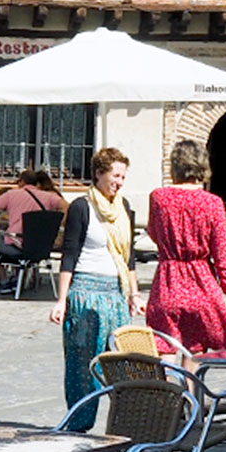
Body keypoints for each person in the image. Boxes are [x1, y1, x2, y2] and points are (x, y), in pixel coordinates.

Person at [50, 147, 138, 431]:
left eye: (123, 176)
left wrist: (134, 294)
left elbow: (129, 256)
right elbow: (70, 254)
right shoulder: (81, 207)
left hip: (115, 294)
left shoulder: (124, 209)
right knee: (82, 365)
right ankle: (79, 425)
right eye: (115, 175)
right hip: (85, 293)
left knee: (119, 363)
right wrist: (62, 300)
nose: (120, 182)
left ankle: (123, 424)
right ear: (99, 173)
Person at [145, 139, 226, 354]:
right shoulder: (212, 203)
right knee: (196, 350)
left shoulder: (158, 198)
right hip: (201, 285)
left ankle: (168, 387)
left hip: (167, 283)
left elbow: (153, 233)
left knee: (164, 347)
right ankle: (191, 386)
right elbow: (223, 256)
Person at [0, 169, 65, 274]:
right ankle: (18, 278)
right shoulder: (49, 196)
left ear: (22, 182)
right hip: (41, 247)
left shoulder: (11, 194)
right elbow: (66, 207)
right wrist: (57, 223)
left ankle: (3, 279)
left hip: (18, 245)